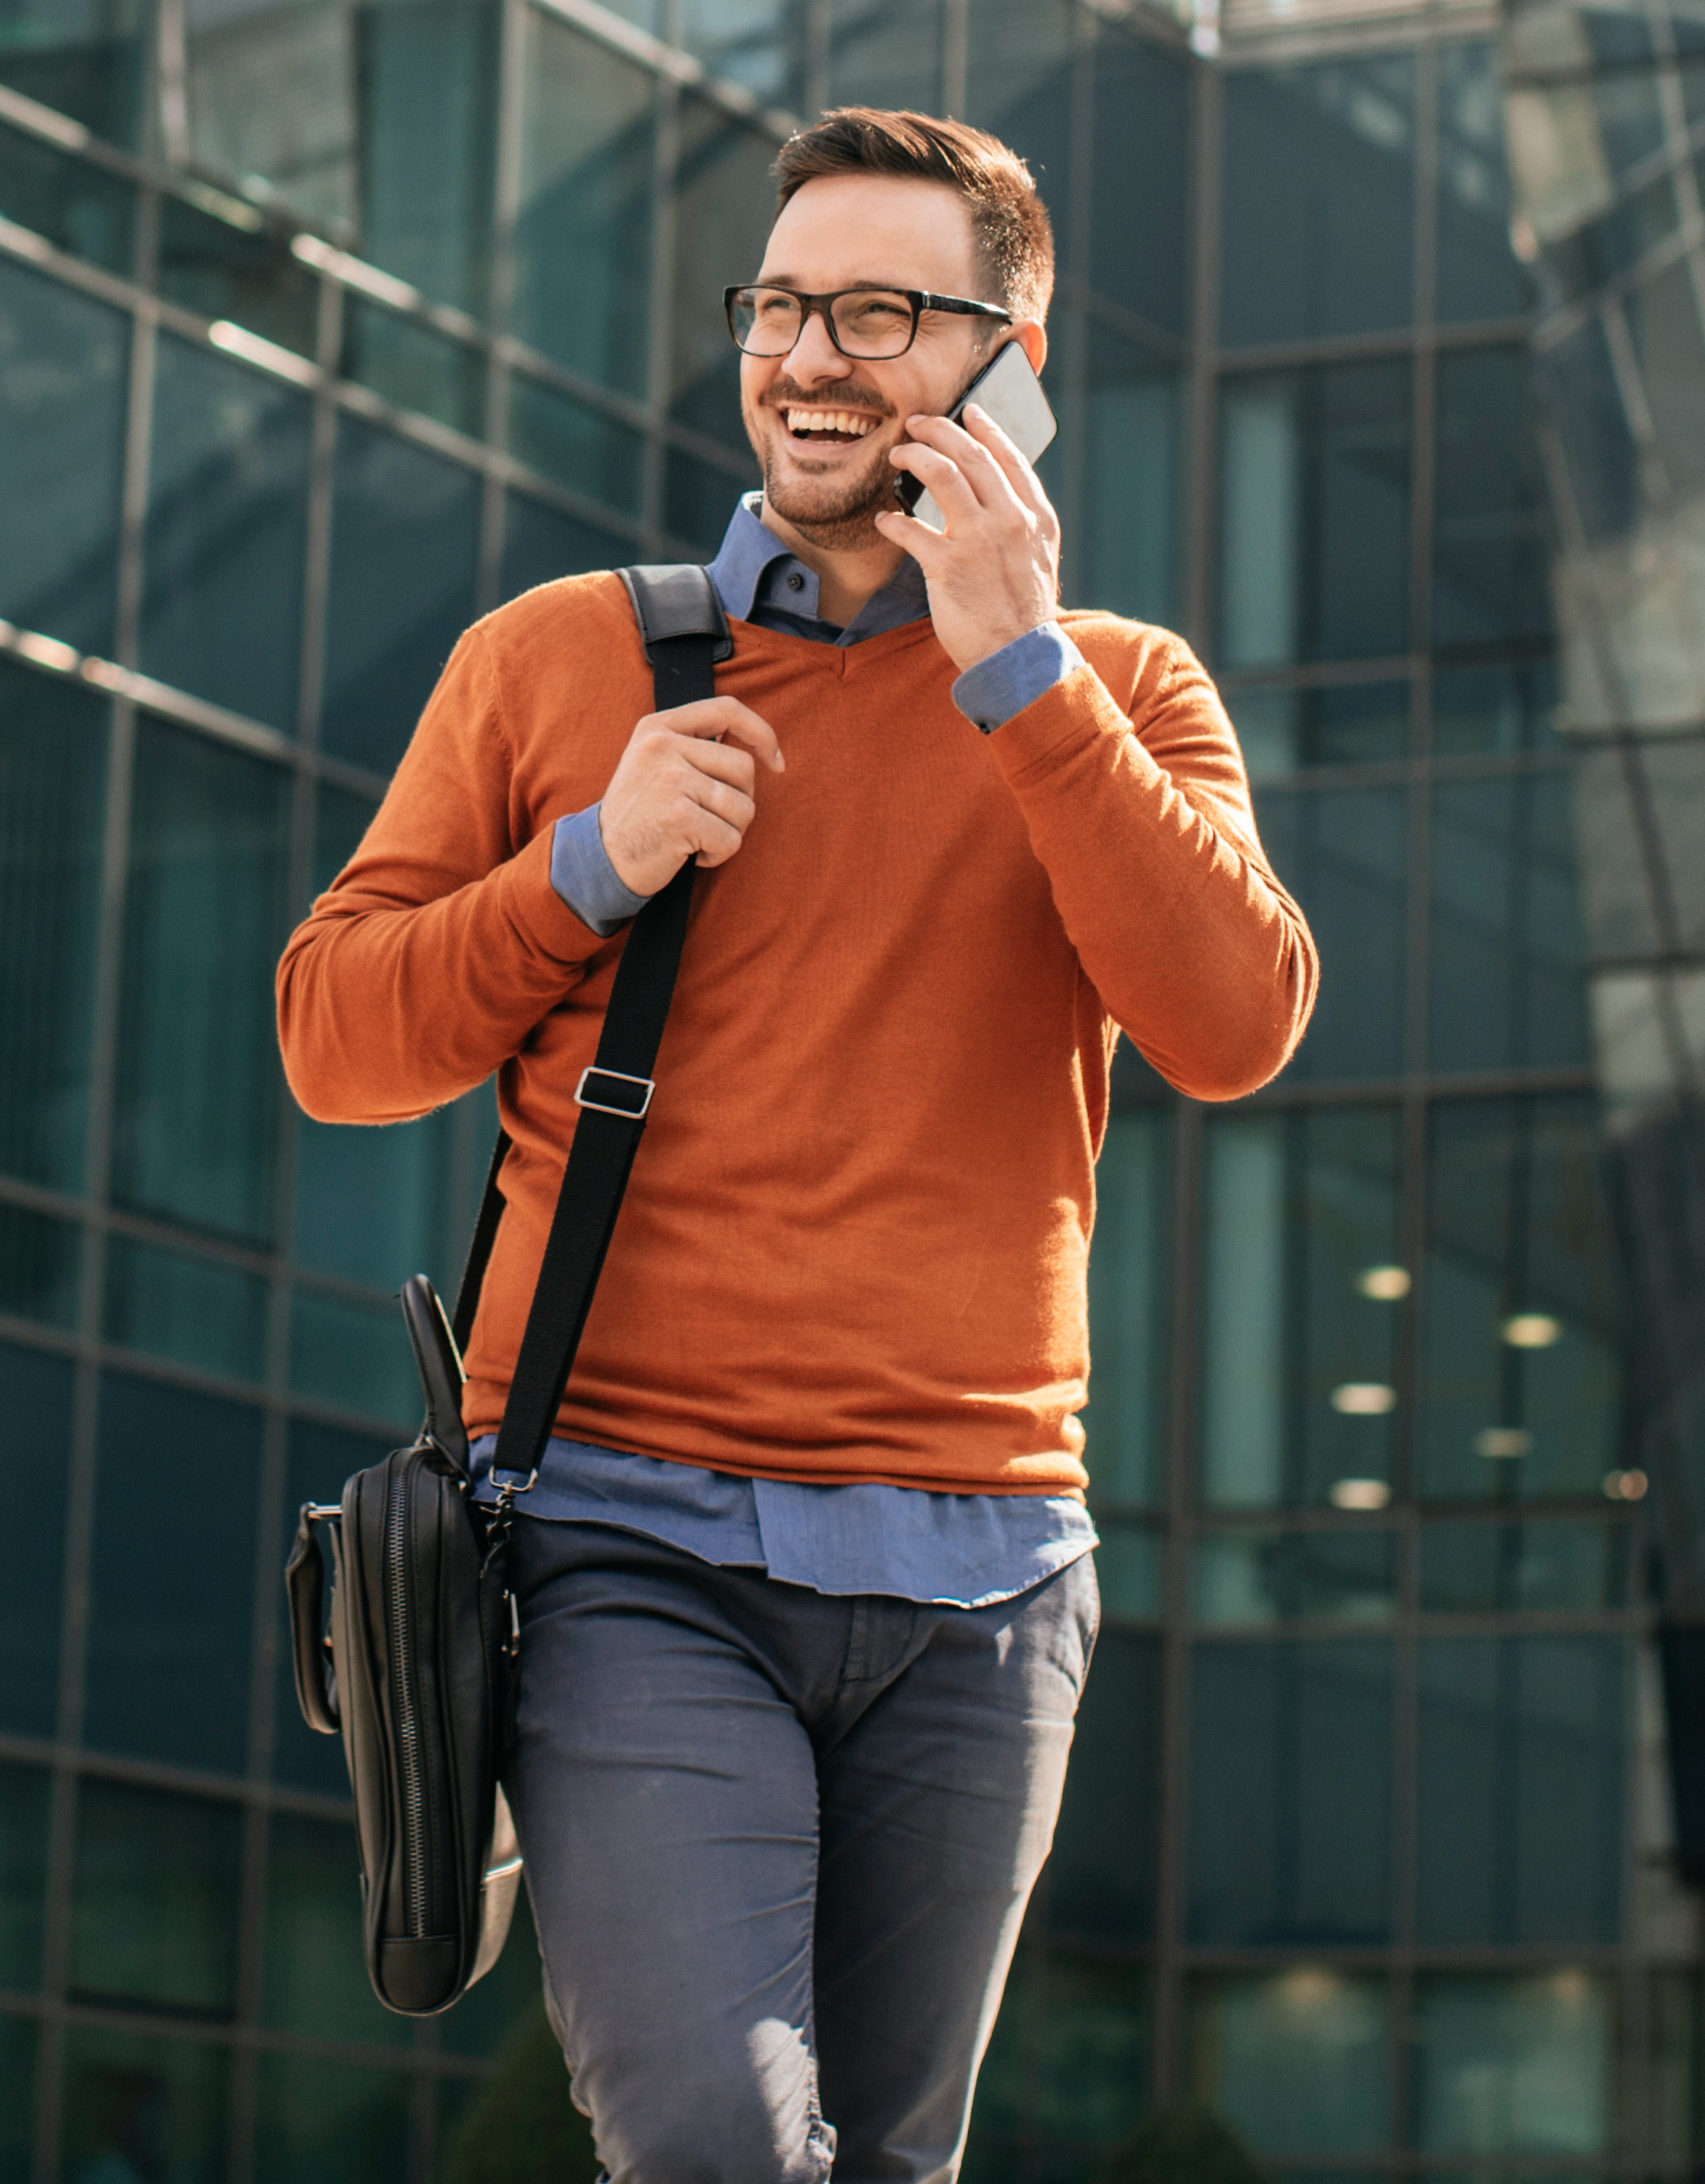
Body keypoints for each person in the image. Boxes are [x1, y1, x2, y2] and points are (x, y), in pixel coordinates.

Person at [277, 107, 1317, 2184]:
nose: (809, 356)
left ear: (1009, 359)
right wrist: (587, 861)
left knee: (891, 2163)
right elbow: (333, 1033)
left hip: (988, 1567)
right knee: (721, 2146)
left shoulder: (1115, 690)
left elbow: (1235, 1019)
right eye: (780, 303)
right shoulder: (565, 655)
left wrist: (1019, 671)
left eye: (878, 310)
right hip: (626, 1539)